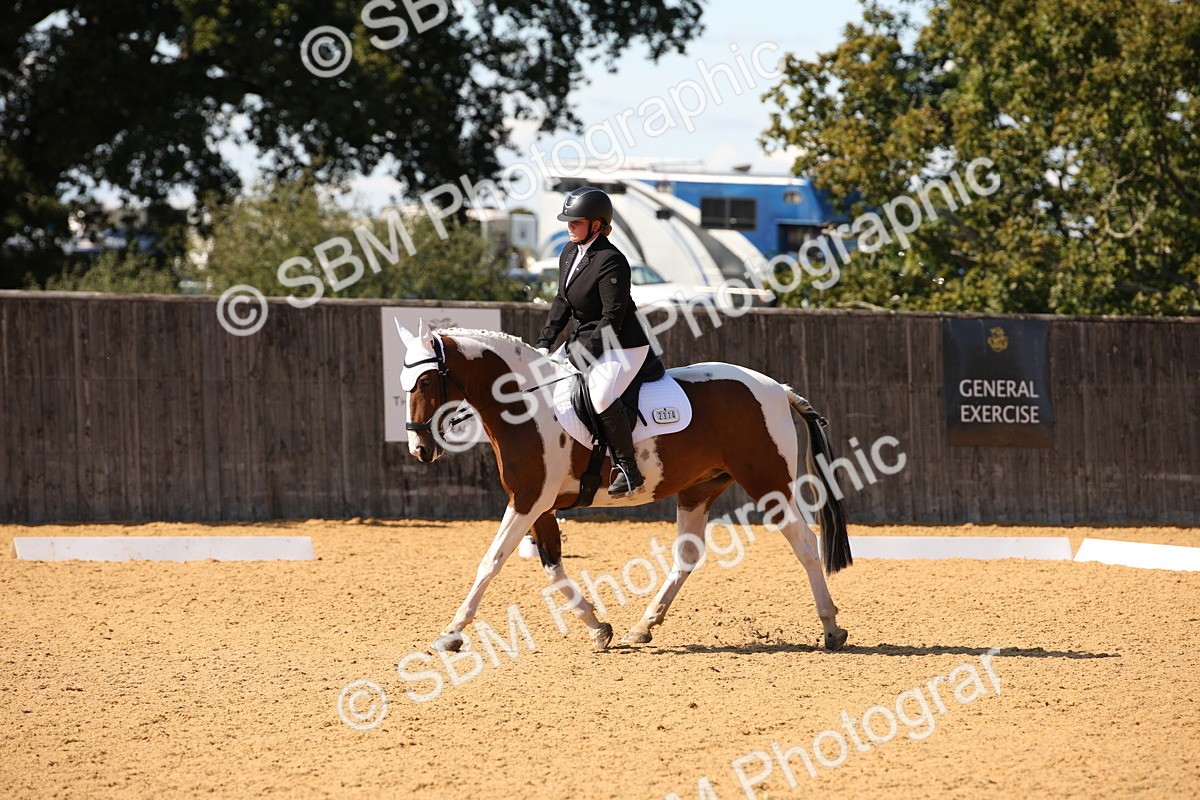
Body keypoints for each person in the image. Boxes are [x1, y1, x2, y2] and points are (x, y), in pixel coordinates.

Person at [535, 186, 659, 497]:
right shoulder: (568, 252)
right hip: (584, 339)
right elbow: (562, 302)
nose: (569, 226)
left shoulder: (611, 260)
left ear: (597, 225)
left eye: (576, 222)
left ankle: (629, 468)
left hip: (622, 345)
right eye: (568, 221)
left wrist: (584, 355)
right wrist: (544, 344)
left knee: (601, 395)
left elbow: (613, 317)